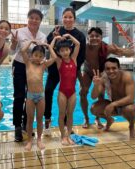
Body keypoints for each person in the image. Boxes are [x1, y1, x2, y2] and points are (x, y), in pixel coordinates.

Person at [80, 27, 135, 129]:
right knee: (83, 93)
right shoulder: (84, 48)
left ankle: (98, 118)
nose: (94, 38)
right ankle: (86, 118)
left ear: (101, 38)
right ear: (88, 37)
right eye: (91, 36)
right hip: (88, 72)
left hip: (101, 72)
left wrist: (121, 50)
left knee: (100, 95)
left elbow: (131, 53)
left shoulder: (106, 47)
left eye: (97, 36)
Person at [44, 7, 86, 135]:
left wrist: (74, 70)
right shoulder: (57, 30)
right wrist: (54, 37)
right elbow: (48, 46)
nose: (67, 19)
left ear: (74, 19)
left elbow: (81, 55)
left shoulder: (79, 35)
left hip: (70, 71)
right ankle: (47, 120)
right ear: (62, 18)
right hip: (55, 68)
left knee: (69, 94)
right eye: (65, 17)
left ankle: (68, 124)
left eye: (70, 17)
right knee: (48, 91)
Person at [10, 9, 47, 142]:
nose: (34, 20)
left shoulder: (42, 36)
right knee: (19, 96)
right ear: (28, 18)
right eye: (31, 17)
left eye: (37, 18)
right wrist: (14, 43)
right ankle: (17, 127)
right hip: (20, 65)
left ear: (40, 21)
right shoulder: (19, 32)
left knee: (29, 96)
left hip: (35, 68)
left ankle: (27, 125)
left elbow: (43, 53)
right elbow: (11, 51)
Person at [21, 40, 57, 151]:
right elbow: (23, 50)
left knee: (40, 118)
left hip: (41, 96)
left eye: (41, 56)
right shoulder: (28, 63)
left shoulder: (43, 65)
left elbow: (54, 58)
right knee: (30, 119)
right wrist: (31, 41)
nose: (38, 58)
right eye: (36, 55)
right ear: (31, 55)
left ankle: (39, 139)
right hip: (30, 96)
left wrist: (48, 47)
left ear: (43, 57)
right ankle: (29, 141)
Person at [91, 57, 135, 139]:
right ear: (105, 70)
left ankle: (131, 127)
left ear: (119, 68)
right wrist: (96, 85)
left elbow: (131, 98)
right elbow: (93, 96)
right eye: (108, 69)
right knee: (94, 108)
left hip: (125, 105)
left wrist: (113, 104)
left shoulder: (127, 76)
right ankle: (109, 120)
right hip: (113, 107)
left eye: (114, 68)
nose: (111, 71)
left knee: (131, 108)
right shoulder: (104, 78)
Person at [51, 34, 80, 145]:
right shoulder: (59, 61)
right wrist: (54, 39)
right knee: (62, 114)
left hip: (72, 92)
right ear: (59, 52)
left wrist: (69, 35)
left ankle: (68, 136)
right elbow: (50, 47)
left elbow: (78, 44)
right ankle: (63, 136)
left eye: (67, 50)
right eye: (62, 51)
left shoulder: (74, 59)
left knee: (70, 114)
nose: (65, 52)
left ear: (70, 50)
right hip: (62, 92)